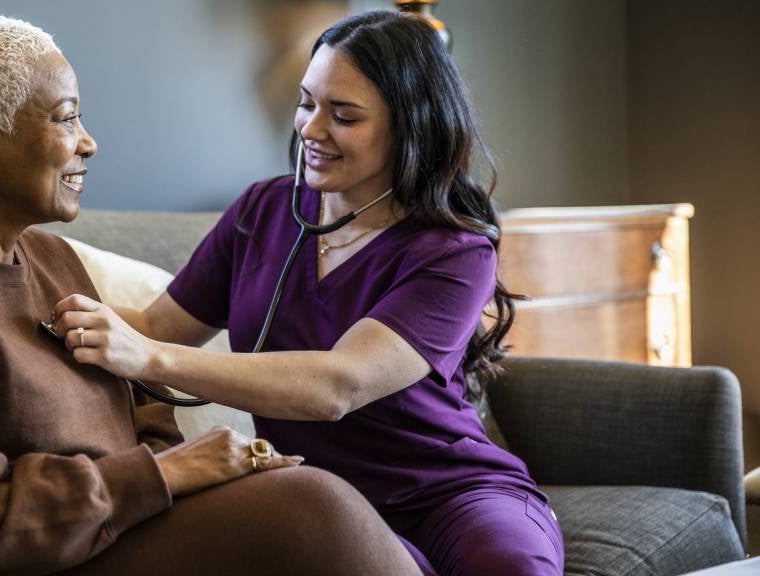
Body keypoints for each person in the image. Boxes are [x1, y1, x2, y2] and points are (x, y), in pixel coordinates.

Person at [0, 15, 423, 576]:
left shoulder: (51, 260)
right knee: (313, 512)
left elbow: (143, 419)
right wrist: (168, 473)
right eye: (65, 117)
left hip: (101, 535)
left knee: (313, 507)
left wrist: (198, 474)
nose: (88, 142)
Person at [52, 10, 565, 576]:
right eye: (306, 103)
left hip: (452, 494)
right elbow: (156, 327)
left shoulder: (453, 251)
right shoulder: (262, 211)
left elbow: (337, 385)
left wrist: (149, 357)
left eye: (343, 115)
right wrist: (38, 310)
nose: (311, 129)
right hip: (319, 500)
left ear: (410, 125)